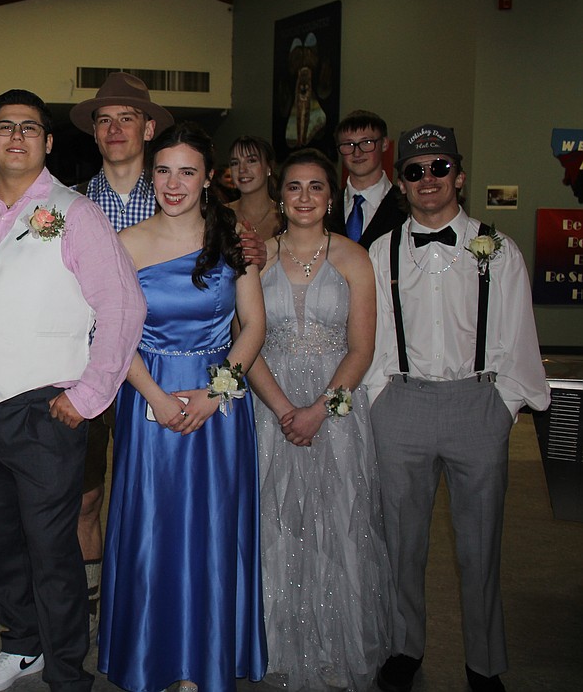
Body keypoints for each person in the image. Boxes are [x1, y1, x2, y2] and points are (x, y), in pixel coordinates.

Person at [0, 89, 146, 692]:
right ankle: (21, 645)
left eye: (29, 128)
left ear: (48, 142)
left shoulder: (75, 212)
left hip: (44, 408)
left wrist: (88, 395)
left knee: (51, 551)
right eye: (3, 127)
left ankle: (65, 672)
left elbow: (123, 306)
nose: (15, 137)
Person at [366, 125, 549, 692]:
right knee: (401, 541)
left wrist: (503, 405)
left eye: (439, 167)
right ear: (402, 183)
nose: (428, 180)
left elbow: (518, 332)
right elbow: (369, 335)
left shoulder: (497, 246)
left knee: (480, 546)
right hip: (403, 405)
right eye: (416, 170)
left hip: (478, 405)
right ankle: (403, 648)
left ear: (459, 176)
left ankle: (484, 662)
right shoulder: (382, 250)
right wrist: (379, 400)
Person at [99, 122, 267, 692]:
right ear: (151, 173)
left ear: (207, 178)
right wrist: (156, 398)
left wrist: (216, 391)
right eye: (164, 170)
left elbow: (254, 326)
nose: (174, 183)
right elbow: (115, 336)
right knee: (155, 525)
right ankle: (153, 656)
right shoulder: (126, 244)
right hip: (150, 398)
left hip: (220, 401)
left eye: (187, 172)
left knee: (214, 528)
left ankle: (206, 659)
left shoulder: (233, 237)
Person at [246, 148, 392, 691]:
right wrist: (285, 409)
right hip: (271, 406)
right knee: (275, 522)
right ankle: (277, 644)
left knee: (339, 523)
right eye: (293, 187)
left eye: (315, 187)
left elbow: (362, 350)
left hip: (338, 408)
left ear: (332, 197)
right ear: (280, 196)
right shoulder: (256, 259)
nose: (304, 197)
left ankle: (335, 646)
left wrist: (319, 412)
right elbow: (248, 342)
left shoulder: (355, 258)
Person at [67, 73, 173, 637]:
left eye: (126, 118)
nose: (114, 129)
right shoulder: (71, 207)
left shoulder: (179, 201)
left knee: (154, 497)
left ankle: (146, 602)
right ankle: (91, 607)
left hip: (161, 369)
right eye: (104, 119)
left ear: (148, 128)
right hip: (90, 371)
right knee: (86, 497)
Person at [336, 110, 408, 248]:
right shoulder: (327, 206)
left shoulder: (407, 205)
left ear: (385, 144)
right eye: (348, 144)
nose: (357, 152)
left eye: (366, 142)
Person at [227, 135, 281, 242]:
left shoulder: (286, 216)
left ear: (269, 167)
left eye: (251, 161)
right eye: (235, 163)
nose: (242, 169)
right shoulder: (219, 215)